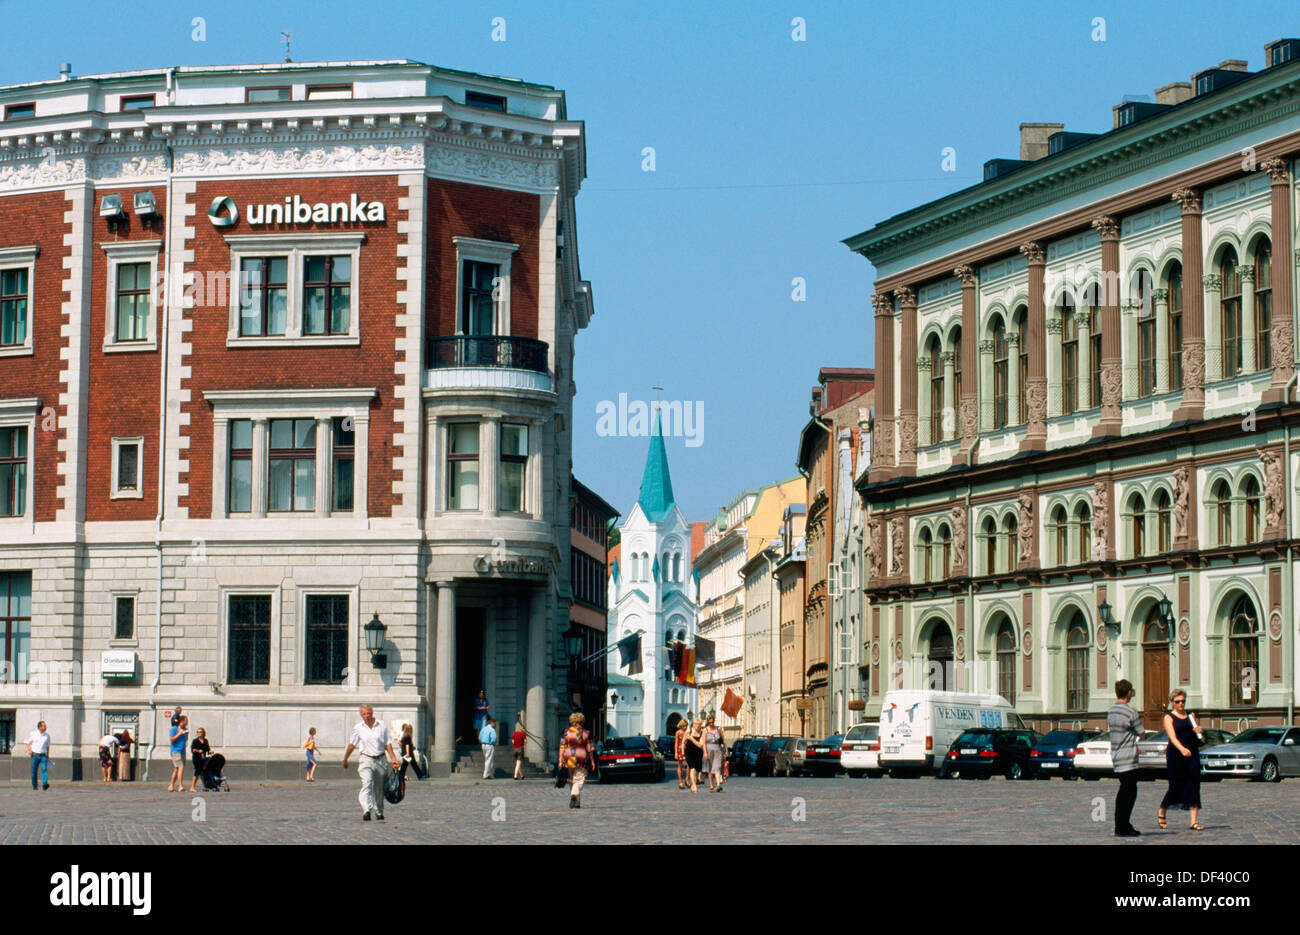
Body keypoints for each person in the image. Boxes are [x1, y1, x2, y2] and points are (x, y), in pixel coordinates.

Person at [342, 705, 400, 822]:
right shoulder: (358, 728)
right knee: (367, 783)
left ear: (372, 713)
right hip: (366, 759)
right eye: (364, 714)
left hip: (380, 759)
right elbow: (352, 744)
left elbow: (387, 743)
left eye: (368, 713)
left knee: (379, 787)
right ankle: (366, 810)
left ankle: (379, 811)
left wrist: (393, 759)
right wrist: (345, 759)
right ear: (361, 715)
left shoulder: (381, 725)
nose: (366, 716)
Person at [1159, 688, 1204, 831]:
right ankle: (1162, 809)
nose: (1181, 704)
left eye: (1183, 701)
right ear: (1172, 702)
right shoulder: (1168, 717)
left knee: (1194, 784)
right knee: (1176, 786)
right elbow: (1172, 738)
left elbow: (1197, 733)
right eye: (1177, 701)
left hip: (1192, 753)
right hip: (1176, 755)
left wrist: (1199, 731)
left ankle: (1193, 822)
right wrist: (1182, 749)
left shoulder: (1191, 715)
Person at [1107, 679, 1143, 837]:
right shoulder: (1130, 712)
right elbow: (1141, 732)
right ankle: (1122, 826)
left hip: (1116, 756)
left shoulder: (1111, 711)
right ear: (1129, 693)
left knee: (1123, 792)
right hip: (1128, 758)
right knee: (1129, 793)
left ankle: (1122, 824)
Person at [557, 712, 596, 808]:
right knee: (579, 779)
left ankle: (576, 802)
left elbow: (562, 746)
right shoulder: (586, 733)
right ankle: (574, 794)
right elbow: (589, 748)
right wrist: (592, 761)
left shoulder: (566, 732)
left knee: (572, 779)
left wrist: (560, 759)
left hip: (568, 757)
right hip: (581, 758)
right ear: (582, 721)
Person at [703, 715, 726, 793]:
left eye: (712, 722)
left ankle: (718, 785)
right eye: (710, 722)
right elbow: (704, 743)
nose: (711, 724)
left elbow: (723, 740)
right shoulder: (705, 730)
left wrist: (726, 750)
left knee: (717, 767)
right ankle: (711, 785)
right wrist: (705, 752)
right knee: (710, 768)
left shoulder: (719, 729)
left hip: (718, 750)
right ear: (708, 722)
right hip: (709, 750)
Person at [26, 721, 50, 790]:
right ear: (39, 727)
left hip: (43, 755)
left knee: (44, 769)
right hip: (35, 755)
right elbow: (28, 742)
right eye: (44, 726)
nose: (45, 727)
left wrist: (48, 755)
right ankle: (35, 785)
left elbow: (48, 746)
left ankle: (44, 784)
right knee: (34, 772)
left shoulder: (47, 735)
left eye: (45, 726)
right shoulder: (33, 734)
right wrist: (30, 750)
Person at [683, 719, 705, 794]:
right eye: (696, 724)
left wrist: (691, 739)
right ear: (693, 724)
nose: (698, 726)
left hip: (698, 753)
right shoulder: (688, 731)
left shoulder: (702, 733)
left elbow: (700, 745)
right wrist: (682, 753)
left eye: (699, 724)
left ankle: (693, 785)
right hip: (689, 752)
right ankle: (695, 786)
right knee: (692, 768)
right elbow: (683, 742)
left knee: (697, 770)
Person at [167, 716, 188, 792]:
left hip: (182, 751)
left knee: (176, 769)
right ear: (182, 721)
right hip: (176, 751)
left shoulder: (184, 729)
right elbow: (171, 739)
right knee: (180, 767)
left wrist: (186, 734)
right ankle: (180, 786)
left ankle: (171, 786)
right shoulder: (174, 729)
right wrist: (179, 733)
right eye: (186, 721)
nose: (187, 722)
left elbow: (185, 740)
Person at [188, 727, 211, 792]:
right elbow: (193, 749)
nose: (198, 733)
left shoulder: (205, 740)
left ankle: (205, 786)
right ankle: (192, 787)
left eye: (200, 732)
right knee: (197, 771)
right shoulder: (195, 741)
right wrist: (198, 751)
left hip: (204, 758)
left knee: (204, 772)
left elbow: (207, 750)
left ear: (203, 733)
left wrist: (210, 752)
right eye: (197, 732)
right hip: (197, 758)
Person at [673, 719, 688, 789]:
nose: (685, 727)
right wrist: (676, 752)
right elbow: (676, 743)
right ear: (681, 726)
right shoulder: (678, 732)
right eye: (683, 726)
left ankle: (687, 779)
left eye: (686, 726)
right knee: (680, 766)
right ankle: (680, 782)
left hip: (687, 750)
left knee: (689, 765)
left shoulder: (687, 732)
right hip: (680, 750)